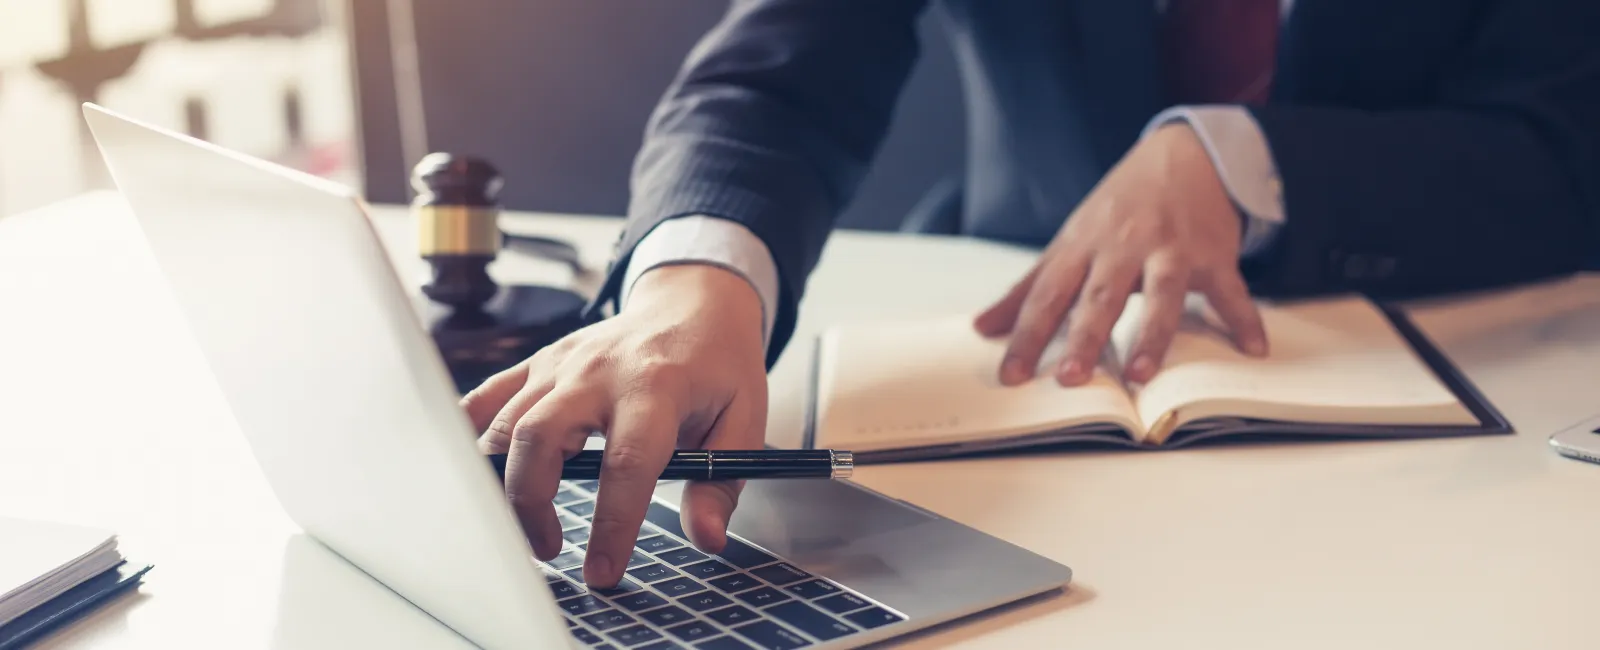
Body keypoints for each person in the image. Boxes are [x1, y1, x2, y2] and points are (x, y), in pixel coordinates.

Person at [460, 0, 1600, 587]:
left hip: (1460, 391)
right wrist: (688, 284)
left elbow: (1567, 146)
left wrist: (1246, 161)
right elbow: (773, 81)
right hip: (1015, 366)